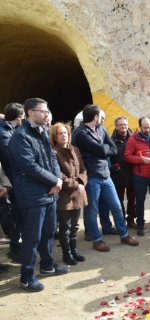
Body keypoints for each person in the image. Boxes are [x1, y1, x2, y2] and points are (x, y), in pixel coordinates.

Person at [9, 98, 69, 291]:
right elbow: (29, 166)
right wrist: (54, 181)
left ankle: (47, 265)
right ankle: (27, 276)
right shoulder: (21, 135)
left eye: (47, 110)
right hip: (32, 195)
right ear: (30, 113)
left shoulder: (42, 132)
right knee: (32, 237)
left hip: (49, 192)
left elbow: (51, 157)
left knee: (49, 232)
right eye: (42, 111)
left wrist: (57, 180)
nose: (46, 114)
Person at [75, 104, 139, 252]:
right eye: (101, 117)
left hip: (106, 175)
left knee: (116, 207)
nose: (104, 120)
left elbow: (113, 149)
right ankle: (96, 240)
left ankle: (124, 235)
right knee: (92, 211)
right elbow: (102, 150)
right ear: (95, 117)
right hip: (91, 177)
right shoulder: (80, 133)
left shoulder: (101, 130)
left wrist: (102, 150)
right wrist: (103, 149)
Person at [50, 122, 88, 265]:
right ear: (55, 136)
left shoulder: (75, 149)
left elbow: (83, 169)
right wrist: (74, 187)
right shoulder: (53, 152)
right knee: (64, 228)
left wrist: (81, 185)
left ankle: (75, 251)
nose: (64, 135)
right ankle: (67, 254)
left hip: (78, 192)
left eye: (65, 132)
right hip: (65, 195)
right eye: (60, 133)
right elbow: (58, 174)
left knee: (75, 226)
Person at [0, 102, 24, 262]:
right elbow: (10, 157)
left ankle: (17, 248)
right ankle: (15, 249)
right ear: (18, 117)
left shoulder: (8, 130)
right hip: (13, 181)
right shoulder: (3, 133)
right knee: (17, 215)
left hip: (14, 179)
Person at [110, 116, 137, 229]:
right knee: (118, 200)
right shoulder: (111, 141)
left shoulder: (134, 139)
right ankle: (121, 221)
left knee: (132, 199)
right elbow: (108, 157)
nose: (123, 126)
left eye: (125, 124)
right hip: (117, 174)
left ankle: (131, 219)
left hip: (132, 172)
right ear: (116, 126)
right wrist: (113, 167)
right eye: (120, 124)